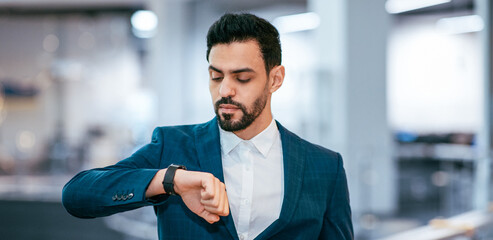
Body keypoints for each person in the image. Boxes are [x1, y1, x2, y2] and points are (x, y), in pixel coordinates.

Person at [62, 13, 353, 240]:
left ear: (275, 79)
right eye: (216, 76)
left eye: (242, 78)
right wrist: (170, 181)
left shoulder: (324, 167)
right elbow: (77, 195)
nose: (225, 90)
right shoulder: (172, 145)